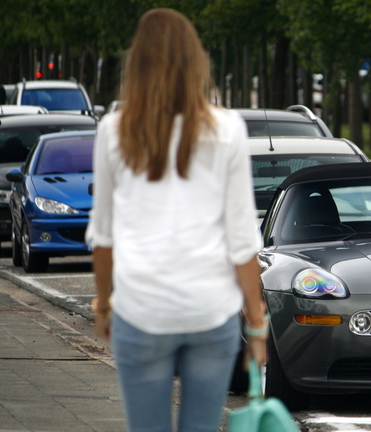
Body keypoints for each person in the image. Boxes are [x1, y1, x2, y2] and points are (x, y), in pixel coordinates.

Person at [86, 8, 267, 432]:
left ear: (137, 64)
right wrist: (257, 324)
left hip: (141, 310)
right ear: (196, 63)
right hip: (211, 312)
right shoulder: (227, 130)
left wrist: (103, 305)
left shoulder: (114, 131)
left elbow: (104, 237)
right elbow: (242, 240)